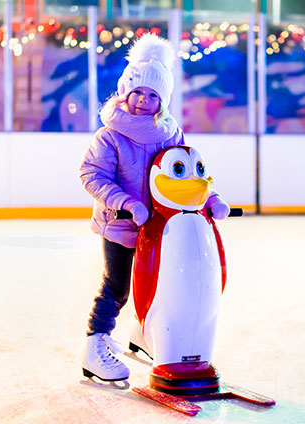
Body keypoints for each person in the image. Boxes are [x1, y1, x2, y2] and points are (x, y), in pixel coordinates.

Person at [79, 33, 230, 381]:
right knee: (117, 287)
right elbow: (91, 174)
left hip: (162, 228)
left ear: (162, 101)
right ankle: (94, 345)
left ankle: (145, 335)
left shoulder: (168, 133)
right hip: (120, 225)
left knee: (163, 285)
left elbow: (184, 170)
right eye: (138, 92)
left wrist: (211, 199)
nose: (144, 100)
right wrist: (127, 204)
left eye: (153, 95)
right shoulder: (110, 135)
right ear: (124, 92)